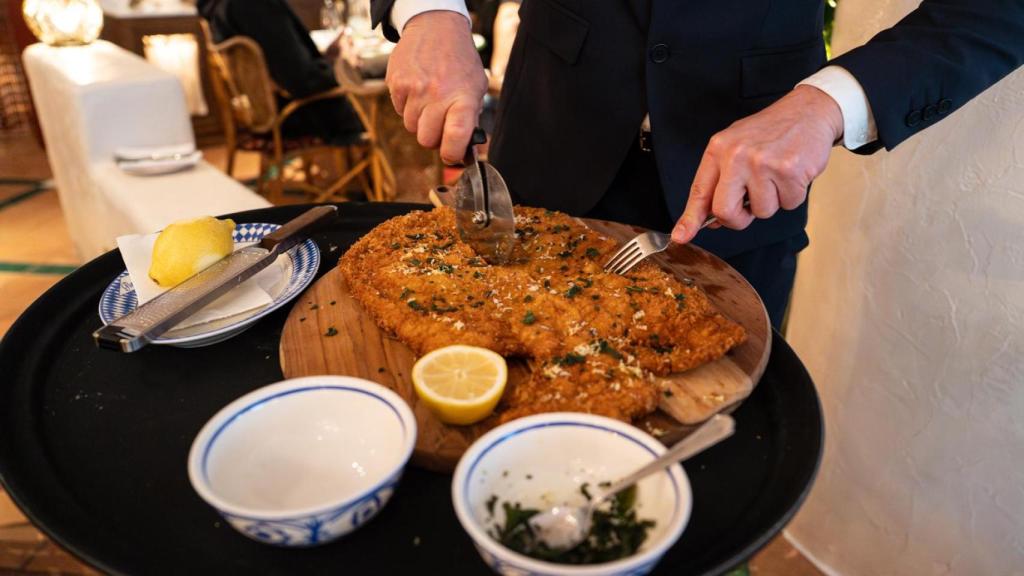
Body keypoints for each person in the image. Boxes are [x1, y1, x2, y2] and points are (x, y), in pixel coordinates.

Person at [370, 0, 1024, 328]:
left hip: (740, 203)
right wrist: (431, 11)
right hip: (543, 156)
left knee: (714, 466)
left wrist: (830, 103)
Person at [197, 0, 363, 146]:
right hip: (303, 116)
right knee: (371, 85)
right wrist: (344, 66)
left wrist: (330, 57)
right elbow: (302, 81)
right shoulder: (255, 6)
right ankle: (365, 169)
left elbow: (285, 65)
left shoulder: (218, 6)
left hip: (264, 112)